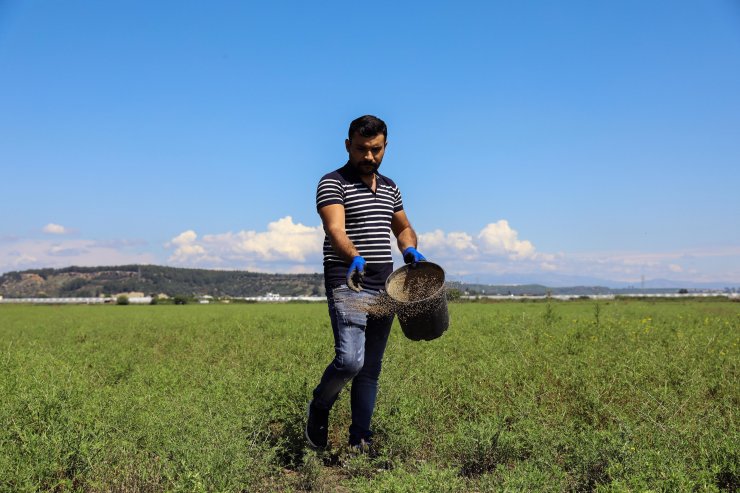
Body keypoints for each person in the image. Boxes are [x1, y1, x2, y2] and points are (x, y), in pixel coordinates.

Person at [306, 115, 426, 450]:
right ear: (348, 146)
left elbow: (402, 227)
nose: (368, 156)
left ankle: (360, 438)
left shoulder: (390, 187)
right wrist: (353, 256)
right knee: (350, 361)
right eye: (361, 149)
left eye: (375, 150)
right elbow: (336, 229)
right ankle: (319, 405)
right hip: (349, 280)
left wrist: (410, 248)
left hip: (386, 284)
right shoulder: (333, 182)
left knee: (370, 369)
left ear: (385, 147)